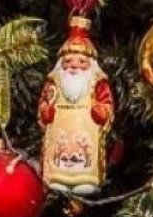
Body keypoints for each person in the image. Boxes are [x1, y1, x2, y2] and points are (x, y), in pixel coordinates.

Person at [39, 16, 114, 196]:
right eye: (68, 61)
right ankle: (56, 178)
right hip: (60, 132)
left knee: (85, 155)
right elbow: (43, 105)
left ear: (90, 64)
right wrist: (46, 111)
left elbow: (107, 106)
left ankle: (86, 179)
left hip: (86, 131)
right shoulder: (54, 82)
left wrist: (99, 110)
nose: (73, 66)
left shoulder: (97, 83)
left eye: (81, 62)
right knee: (59, 155)